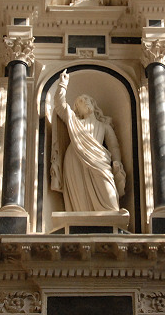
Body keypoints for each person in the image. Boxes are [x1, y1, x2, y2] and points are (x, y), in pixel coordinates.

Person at [51, 69, 126, 212]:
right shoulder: (74, 121)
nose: (85, 101)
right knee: (80, 199)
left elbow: (114, 146)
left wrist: (117, 162)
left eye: (87, 99)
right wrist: (63, 85)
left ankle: (112, 215)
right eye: (80, 101)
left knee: (108, 194)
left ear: (93, 103)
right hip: (74, 159)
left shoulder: (104, 126)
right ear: (77, 109)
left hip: (99, 161)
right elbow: (60, 105)